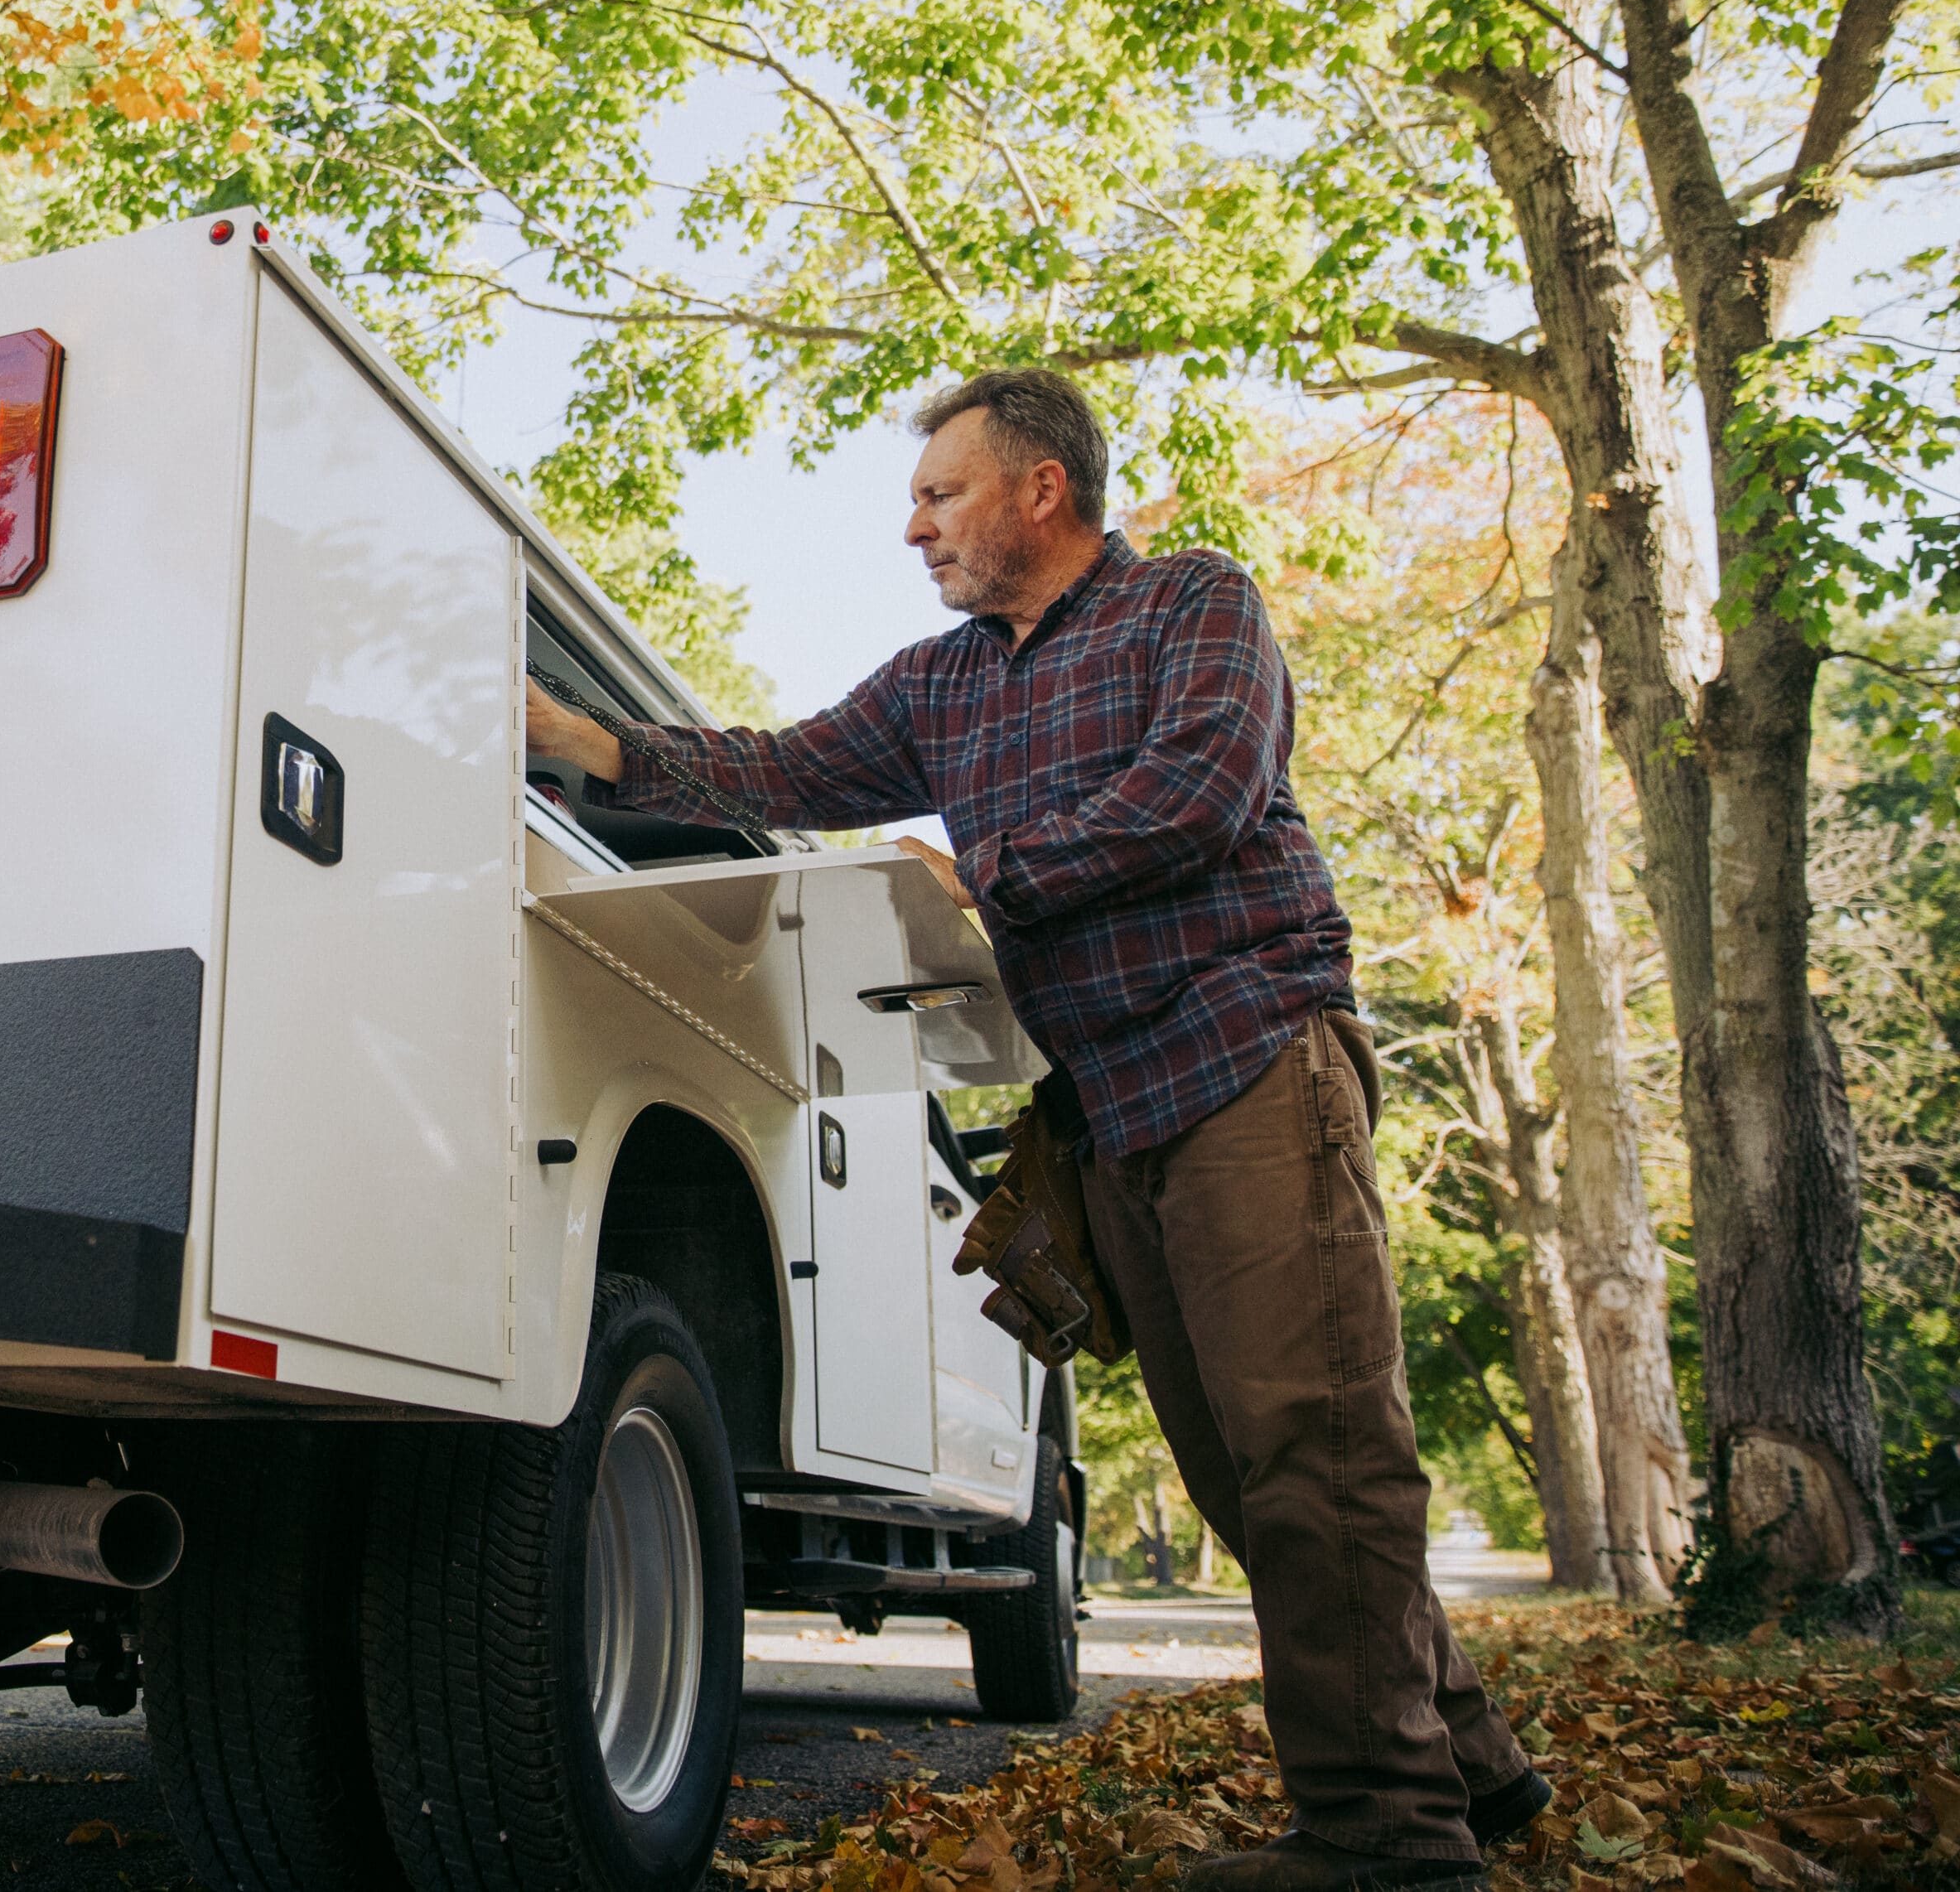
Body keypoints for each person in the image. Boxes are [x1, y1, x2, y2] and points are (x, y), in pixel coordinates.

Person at [524, 369, 1550, 1892]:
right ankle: (1474, 1770)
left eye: (940, 494)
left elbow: (1199, 793)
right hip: (1111, 1111)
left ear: (1039, 489)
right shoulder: (938, 687)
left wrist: (981, 874)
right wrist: (589, 742)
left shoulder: (1192, 604)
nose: (915, 527)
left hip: (1249, 1054)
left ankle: (1388, 1836)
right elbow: (785, 766)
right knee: (1250, 1476)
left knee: (1317, 1456)